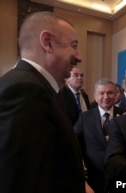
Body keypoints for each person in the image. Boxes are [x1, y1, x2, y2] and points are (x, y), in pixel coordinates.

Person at [0, 11, 86, 193]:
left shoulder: (38, 87)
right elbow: (22, 182)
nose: (79, 57)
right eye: (74, 45)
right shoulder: (26, 91)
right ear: (47, 42)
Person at [74, 79, 125, 193]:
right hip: (93, 178)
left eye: (110, 93)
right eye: (102, 93)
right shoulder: (85, 117)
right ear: (95, 96)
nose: (106, 97)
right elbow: (73, 142)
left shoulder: (125, 115)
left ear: (116, 95)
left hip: (119, 176)